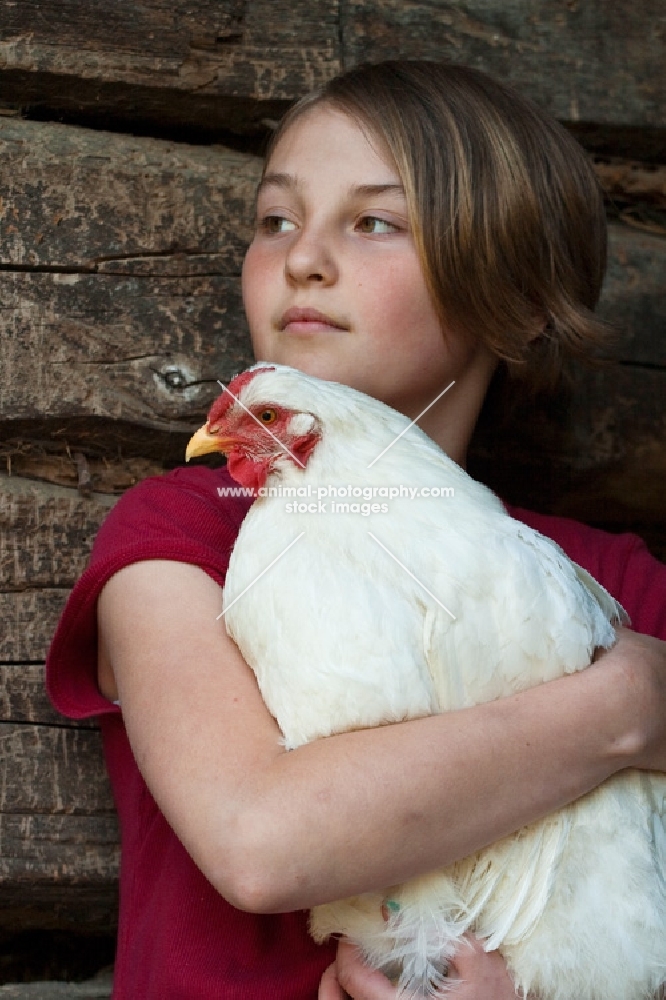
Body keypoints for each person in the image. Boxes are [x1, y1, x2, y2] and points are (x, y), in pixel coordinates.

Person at [46, 60, 666, 1000]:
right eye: (276, 220)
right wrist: (620, 711)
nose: (303, 257)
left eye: (374, 221)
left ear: (522, 301)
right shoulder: (182, 533)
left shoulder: (613, 576)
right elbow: (259, 840)